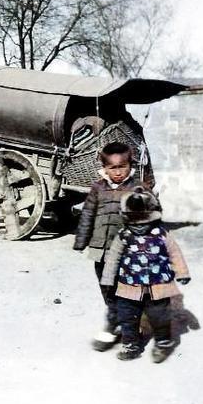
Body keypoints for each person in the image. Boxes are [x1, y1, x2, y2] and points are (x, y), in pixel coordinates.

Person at [73, 142, 152, 352]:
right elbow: (88, 215)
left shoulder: (138, 188)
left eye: (122, 167)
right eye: (113, 168)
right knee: (108, 290)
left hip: (126, 255)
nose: (118, 172)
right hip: (100, 252)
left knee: (127, 293)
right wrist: (81, 242)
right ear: (105, 168)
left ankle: (131, 337)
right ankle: (115, 320)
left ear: (130, 166)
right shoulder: (98, 188)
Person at [101, 187, 191, 362]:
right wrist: (107, 278)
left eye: (144, 222)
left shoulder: (161, 234)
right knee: (127, 317)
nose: (140, 227)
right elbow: (113, 257)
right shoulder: (124, 235)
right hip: (129, 286)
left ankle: (163, 343)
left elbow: (175, 253)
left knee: (160, 316)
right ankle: (131, 345)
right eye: (135, 223)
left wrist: (182, 272)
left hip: (159, 286)